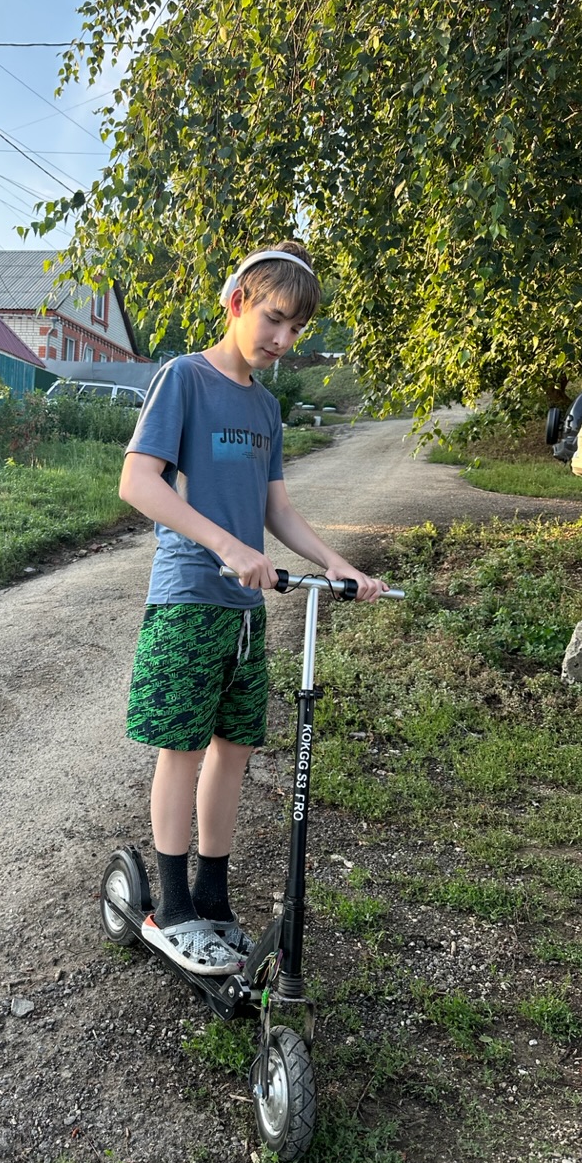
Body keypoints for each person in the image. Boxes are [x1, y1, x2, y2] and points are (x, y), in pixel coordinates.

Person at [119, 240, 387, 975]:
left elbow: (277, 510)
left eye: (297, 329)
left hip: (244, 610)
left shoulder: (266, 406)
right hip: (189, 600)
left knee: (233, 750)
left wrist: (335, 563)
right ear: (238, 302)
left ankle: (213, 898)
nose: (283, 340)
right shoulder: (185, 379)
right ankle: (170, 908)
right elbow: (139, 484)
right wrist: (224, 546)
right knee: (182, 748)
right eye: (275, 320)